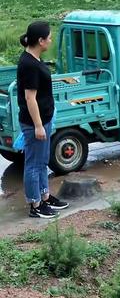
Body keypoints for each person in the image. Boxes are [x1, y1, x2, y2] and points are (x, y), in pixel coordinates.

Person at [17, 21, 69, 218]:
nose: (51, 39)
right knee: (33, 164)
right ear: (40, 41)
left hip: (44, 119)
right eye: (48, 37)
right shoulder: (29, 64)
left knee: (42, 162)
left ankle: (45, 197)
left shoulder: (34, 59)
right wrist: (38, 126)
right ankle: (35, 204)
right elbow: (30, 98)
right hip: (34, 123)